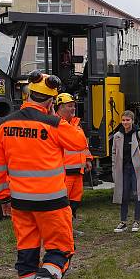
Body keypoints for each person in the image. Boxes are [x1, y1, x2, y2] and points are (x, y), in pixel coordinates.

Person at [0, 71, 88, 279]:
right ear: (51, 102)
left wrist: (3, 198)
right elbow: (79, 142)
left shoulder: (5, 125)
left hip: (20, 202)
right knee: (61, 251)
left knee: (27, 253)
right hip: (52, 202)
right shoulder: (53, 124)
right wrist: (55, 117)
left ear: (27, 94)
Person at [55, 92, 92, 225]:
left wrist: (88, 159)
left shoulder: (76, 123)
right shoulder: (56, 124)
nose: (73, 109)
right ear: (60, 107)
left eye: (74, 106)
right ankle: (63, 228)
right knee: (63, 202)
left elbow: (83, 144)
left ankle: (69, 226)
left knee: (75, 200)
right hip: (64, 172)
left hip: (78, 170)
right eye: (70, 106)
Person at [111, 110, 140, 233]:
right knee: (123, 195)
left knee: (137, 194)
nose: (125, 122)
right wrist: (114, 169)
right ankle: (123, 222)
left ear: (132, 120)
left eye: (128, 120)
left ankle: (136, 221)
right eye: (123, 120)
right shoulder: (117, 136)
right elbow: (114, 154)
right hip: (123, 169)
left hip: (136, 169)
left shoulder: (139, 134)